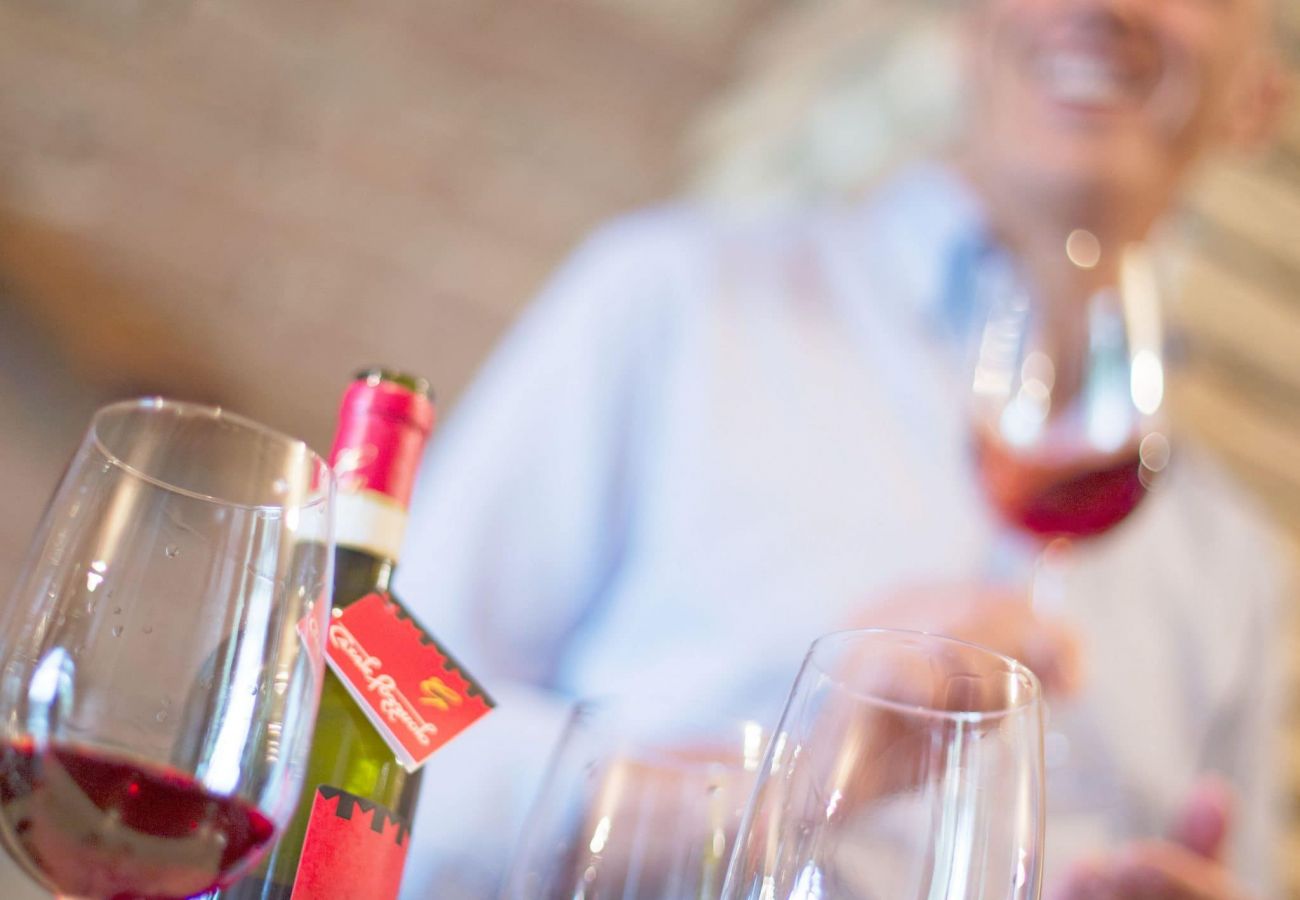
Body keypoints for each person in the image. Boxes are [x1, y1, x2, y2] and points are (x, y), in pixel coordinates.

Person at [395, 0, 1291, 897]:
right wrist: (779, 795)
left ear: (1258, 101)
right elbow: (372, 705)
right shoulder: (676, 297)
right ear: (967, 28)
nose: (1106, 6)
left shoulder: (1238, 576)